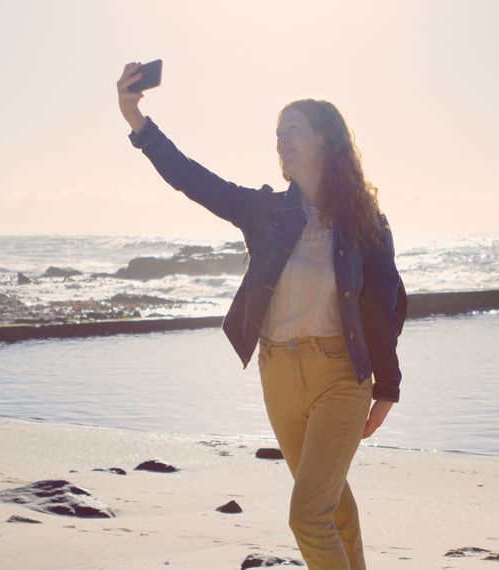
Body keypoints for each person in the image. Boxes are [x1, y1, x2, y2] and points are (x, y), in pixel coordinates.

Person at [116, 61, 407, 570]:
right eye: (278, 132)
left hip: (340, 375)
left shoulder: (365, 223)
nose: (282, 139)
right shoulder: (266, 212)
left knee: (307, 516)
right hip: (277, 375)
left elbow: (386, 306)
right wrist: (137, 121)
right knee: (331, 504)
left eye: (293, 128)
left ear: (325, 140)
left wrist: (387, 387)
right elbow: (193, 180)